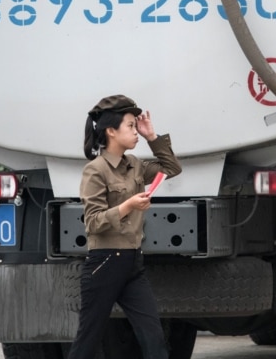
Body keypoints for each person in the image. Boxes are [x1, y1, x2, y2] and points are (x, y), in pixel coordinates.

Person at [67, 94, 183, 359]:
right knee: (88, 341)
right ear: (111, 131)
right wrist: (128, 206)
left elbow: (172, 168)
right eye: (130, 126)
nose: (136, 132)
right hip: (104, 263)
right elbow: (93, 222)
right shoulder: (95, 171)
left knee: (154, 339)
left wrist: (152, 137)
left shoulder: (135, 166)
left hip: (132, 263)